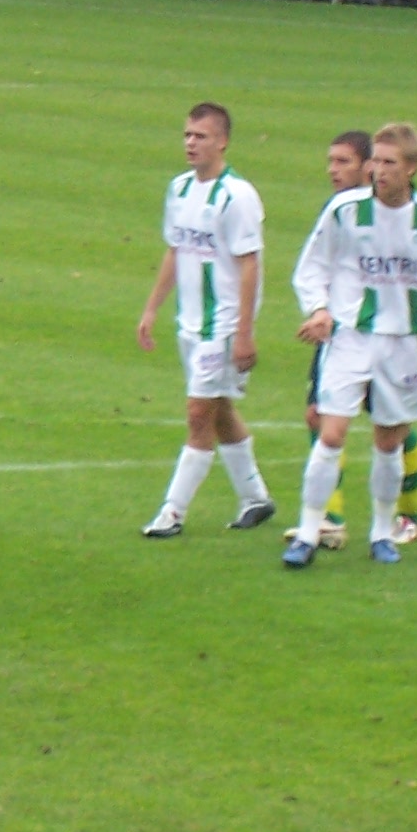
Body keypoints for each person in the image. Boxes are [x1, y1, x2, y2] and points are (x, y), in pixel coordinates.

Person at [284, 122, 417, 568]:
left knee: (388, 441)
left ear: (411, 167)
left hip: (400, 343)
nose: (378, 170)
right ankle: (308, 531)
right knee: (331, 432)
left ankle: (382, 532)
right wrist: (319, 309)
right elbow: (313, 265)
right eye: (375, 161)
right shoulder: (345, 210)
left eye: (389, 162)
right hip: (349, 338)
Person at [137, 103, 272, 539]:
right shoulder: (179, 189)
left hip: (223, 325)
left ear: (222, 141)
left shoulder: (238, 196)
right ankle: (255, 498)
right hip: (190, 323)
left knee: (198, 414)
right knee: (220, 410)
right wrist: (153, 307)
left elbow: (250, 265)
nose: (191, 143)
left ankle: (172, 513)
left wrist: (245, 334)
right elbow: (176, 250)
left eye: (200, 136)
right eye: (187, 135)